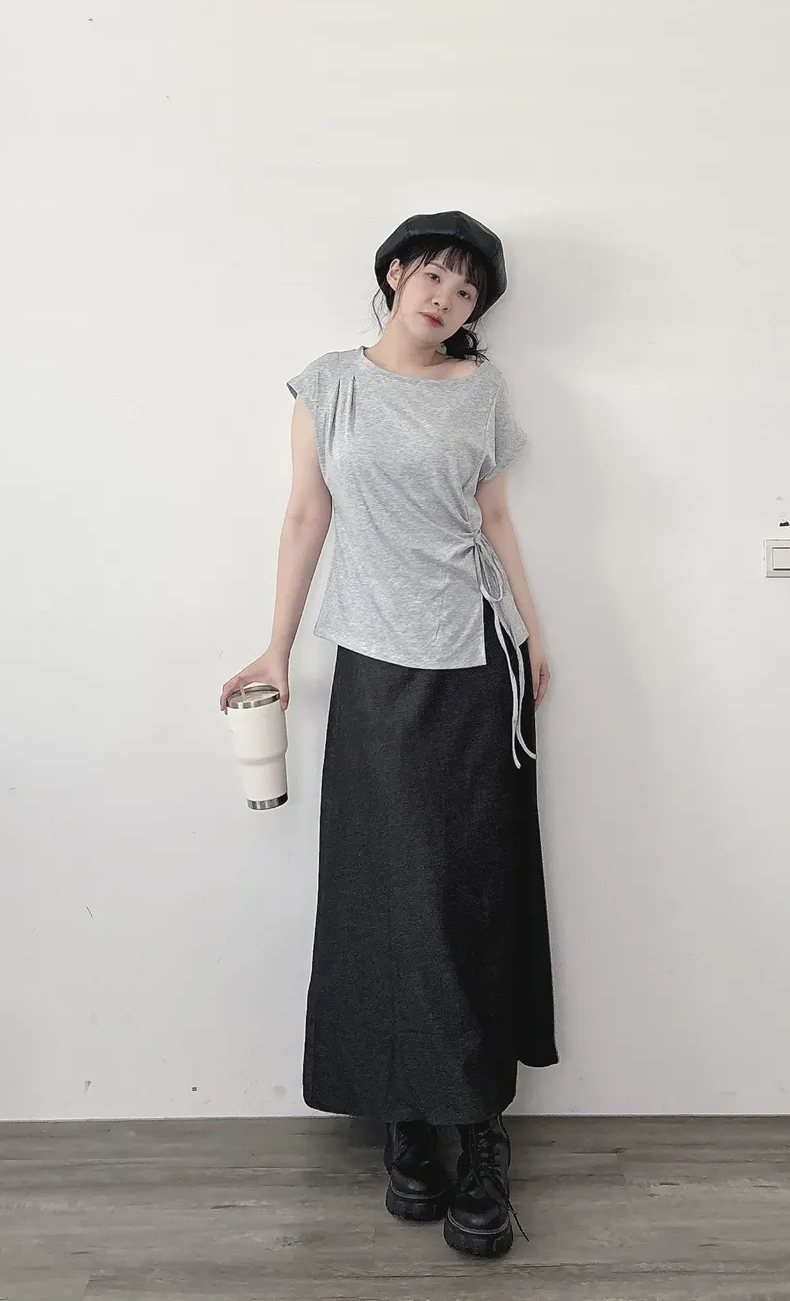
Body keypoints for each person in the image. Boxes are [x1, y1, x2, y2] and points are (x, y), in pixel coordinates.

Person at [221, 211, 558, 1260]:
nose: (448, 297)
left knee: (474, 892)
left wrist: (534, 634)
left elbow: (495, 520)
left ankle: (480, 1131)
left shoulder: (482, 391)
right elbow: (304, 515)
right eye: (436, 275)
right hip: (372, 664)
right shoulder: (330, 384)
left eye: (469, 290)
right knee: (383, 892)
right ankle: (407, 1118)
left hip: (475, 660)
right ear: (397, 273)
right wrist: (277, 649)